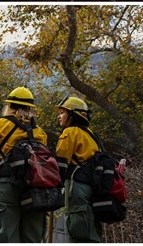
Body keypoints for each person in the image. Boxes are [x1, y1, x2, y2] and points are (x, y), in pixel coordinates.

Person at [0, 87, 49, 243]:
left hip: (6, 184)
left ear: (9, 106)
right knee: (32, 235)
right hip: (34, 188)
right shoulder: (39, 132)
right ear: (30, 108)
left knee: (4, 235)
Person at [55, 96, 102, 242]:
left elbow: (61, 163)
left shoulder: (69, 132)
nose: (59, 117)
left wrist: (53, 188)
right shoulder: (91, 134)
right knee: (91, 229)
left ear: (72, 115)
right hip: (94, 187)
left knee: (78, 229)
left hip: (77, 187)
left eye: (62, 113)